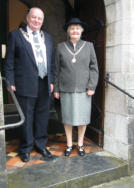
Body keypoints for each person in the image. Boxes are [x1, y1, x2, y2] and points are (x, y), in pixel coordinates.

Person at [4, 7, 55, 162]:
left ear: (42, 21)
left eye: (39, 18)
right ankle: (25, 148)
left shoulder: (47, 37)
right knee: (27, 117)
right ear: (27, 18)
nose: (36, 21)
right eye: (34, 17)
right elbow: (9, 61)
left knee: (42, 117)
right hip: (24, 84)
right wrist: (10, 81)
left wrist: (52, 80)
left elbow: (51, 62)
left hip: (44, 83)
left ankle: (40, 145)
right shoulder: (15, 35)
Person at [54, 18, 99, 156]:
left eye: (77, 28)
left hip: (84, 90)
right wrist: (56, 88)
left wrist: (92, 85)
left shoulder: (89, 46)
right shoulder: (60, 47)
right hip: (65, 89)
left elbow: (94, 68)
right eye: (72, 28)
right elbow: (56, 69)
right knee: (67, 118)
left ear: (81, 31)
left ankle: (80, 144)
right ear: (68, 31)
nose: (75, 30)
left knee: (82, 119)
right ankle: (68, 144)